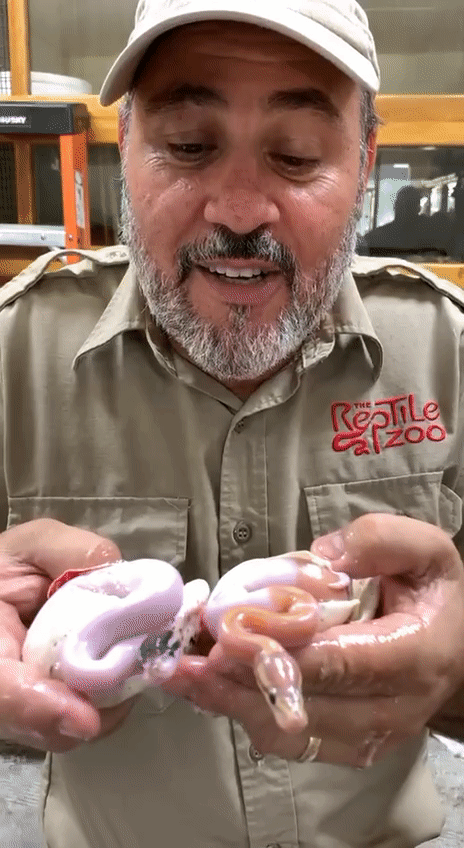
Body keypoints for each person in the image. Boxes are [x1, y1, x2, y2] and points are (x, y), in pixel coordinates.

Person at [1, 0, 464, 846]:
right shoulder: (14, 352)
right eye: (187, 145)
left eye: (296, 155)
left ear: (365, 164)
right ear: (125, 147)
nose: (241, 210)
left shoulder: (445, 349)